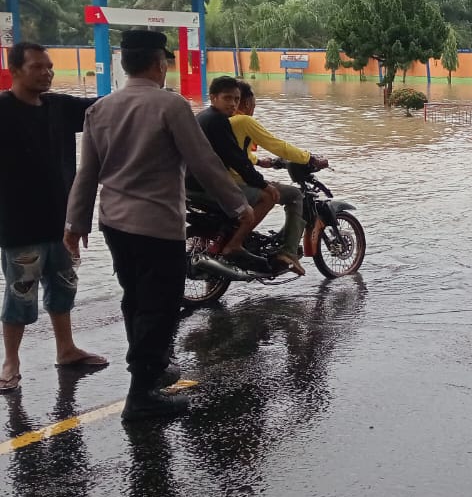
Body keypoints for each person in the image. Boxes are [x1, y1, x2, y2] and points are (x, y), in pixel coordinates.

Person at [64, 30, 258, 421]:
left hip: (114, 224)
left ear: (123, 64)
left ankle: (150, 368)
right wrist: (239, 205)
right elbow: (203, 162)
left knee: (134, 298)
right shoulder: (171, 106)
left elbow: (87, 173)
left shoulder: (100, 109)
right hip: (157, 225)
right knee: (160, 305)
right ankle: (143, 394)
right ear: (159, 64)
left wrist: (75, 222)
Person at [0, 42, 109, 393]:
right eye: (37, 67)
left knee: (64, 287)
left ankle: (66, 349)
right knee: (20, 293)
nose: (47, 72)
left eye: (49, 67)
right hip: (19, 224)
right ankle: (11, 361)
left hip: (61, 221)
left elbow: (106, 109)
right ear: (14, 69)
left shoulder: (59, 107)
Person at [231, 81, 328, 274]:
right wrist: (310, 158)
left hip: (220, 178)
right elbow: (277, 145)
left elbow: (234, 151)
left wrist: (258, 161)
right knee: (294, 195)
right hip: (236, 181)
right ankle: (288, 251)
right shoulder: (244, 121)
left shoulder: (222, 120)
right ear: (248, 102)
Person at [186, 77, 278, 271]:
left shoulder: (204, 116)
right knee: (265, 199)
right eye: (227, 98)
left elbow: (232, 157)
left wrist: (256, 163)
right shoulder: (218, 121)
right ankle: (234, 245)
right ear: (213, 98)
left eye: (236, 99)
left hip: (190, 183)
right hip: (204, 186)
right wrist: (264, 184)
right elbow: (236, 159)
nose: (233, 104)